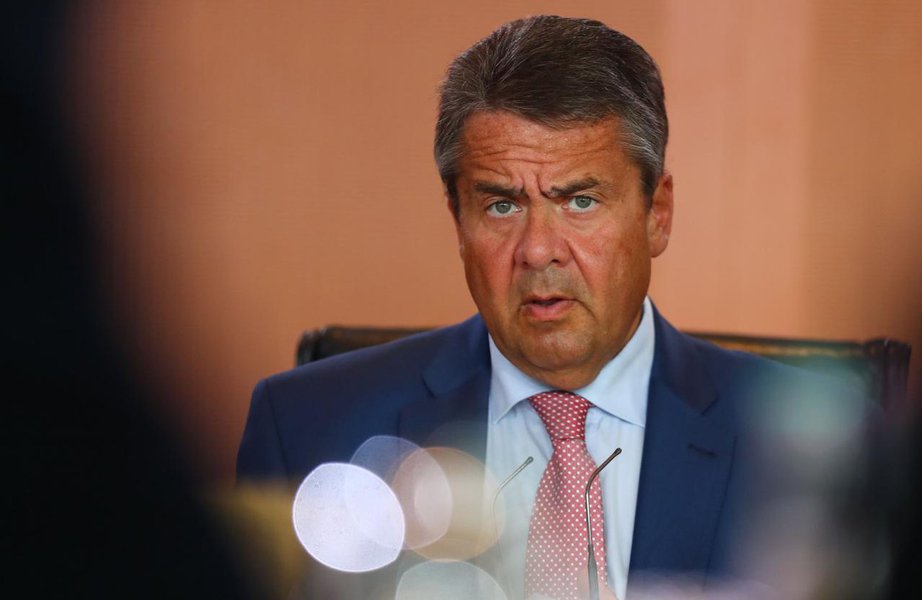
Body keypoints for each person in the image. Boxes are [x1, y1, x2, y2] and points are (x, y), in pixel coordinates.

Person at [237, 15, 865, 600]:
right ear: (458, 221)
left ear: (658, 214)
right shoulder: (307, 430)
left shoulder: (812, 451)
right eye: (501, 205)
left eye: (580, 201)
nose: (538, 250)